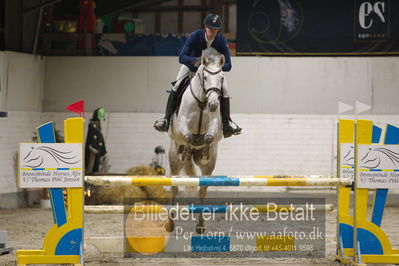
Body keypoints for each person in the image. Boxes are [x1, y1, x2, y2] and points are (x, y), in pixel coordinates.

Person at [154, 13, 241, 138]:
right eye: (210, 29)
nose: (212, 32)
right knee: (177, 85)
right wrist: (196, 60)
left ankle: (227, 124)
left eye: (215, 30)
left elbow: (228, 65)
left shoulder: (221, 40)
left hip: (211, 72)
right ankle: (166, 120)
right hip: (191, 68)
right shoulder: (195, 36)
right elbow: (182, 57)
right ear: (205, 27)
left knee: (225, 90)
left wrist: (215, 65)